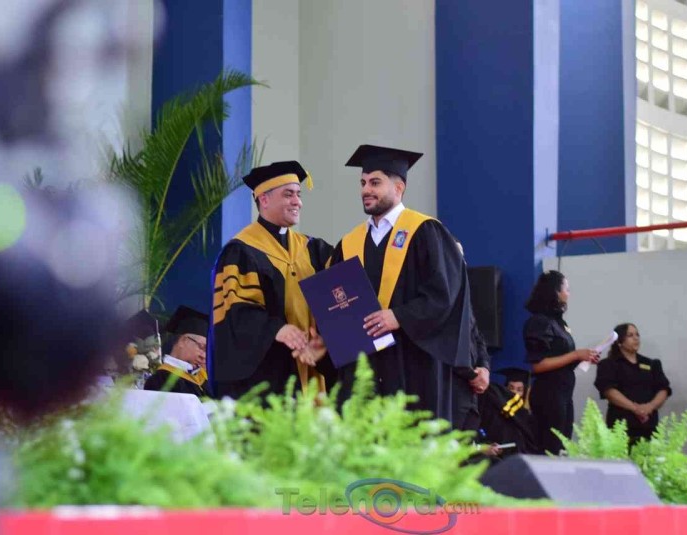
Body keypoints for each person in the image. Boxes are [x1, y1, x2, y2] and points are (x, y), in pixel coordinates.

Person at [328, 144, 473, 422]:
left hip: (413, 362)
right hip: (365, 367)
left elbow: (445, 294)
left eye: (375, 182)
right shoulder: (348, 244)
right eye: (362, 183)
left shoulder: (425, 231)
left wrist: (400, 316)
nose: (366, 190)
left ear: (399, 188)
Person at [208, 161, 335, 400]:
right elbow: (236, 314)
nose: (297, 202)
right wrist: (276, 329)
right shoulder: (241, 251)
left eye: (298, 194)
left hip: (311, 367)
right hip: (268, 378)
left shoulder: (315, 249)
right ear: (264, 199)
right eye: (288, 194)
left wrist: (327, 339)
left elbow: (341, 300)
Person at [524, 270, 599, 455]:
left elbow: (563, 359)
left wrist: (583, 357)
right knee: (550, 448)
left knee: (563, 448)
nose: (569, 294)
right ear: (555, 292)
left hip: (565, 394)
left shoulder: (559, 323)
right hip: (549, 395)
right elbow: (538, 365)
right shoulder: (539, 322)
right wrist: (575, 355)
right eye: (567, 289)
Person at [594, 323, 672, 444]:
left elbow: (664, 389)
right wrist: (635, 409)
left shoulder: (652, 363)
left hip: (649, 423)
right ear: (619, 341)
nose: (636, 338)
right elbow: (609, 391)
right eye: (630, 335)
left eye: (637, 335)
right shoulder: (608, 364)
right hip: (620, 425)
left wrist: (649, 407)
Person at [451, 240, 491, 431]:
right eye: (456, 257)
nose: (463, 263)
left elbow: (477, 337)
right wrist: (472, 375)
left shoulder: (464, 298)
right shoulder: (433, 301)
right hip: (450, 392)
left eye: (463, 258)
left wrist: (484, 369)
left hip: (470, 394)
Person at [145, 306, 210, 397]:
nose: (204, 356)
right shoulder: (160, 380)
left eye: (207, 351)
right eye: (201, 347)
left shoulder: (203, 378)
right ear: (183, 341)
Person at [475, 366, 539, 455]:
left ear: (525, 393)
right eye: (511, 388)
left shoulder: (527, 419)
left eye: (519, 390)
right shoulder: (494, 412)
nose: (514, 393)